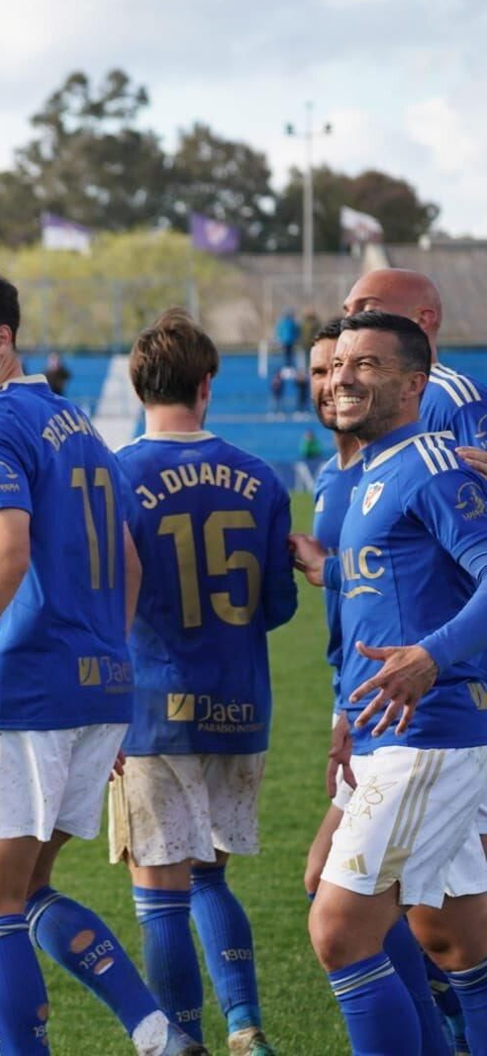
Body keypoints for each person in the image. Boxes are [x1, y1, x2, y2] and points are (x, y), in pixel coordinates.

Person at [0, 269, 202, 1056]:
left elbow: (4, 553)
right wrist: (109, 666)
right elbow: (131, 566)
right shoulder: (74, 420)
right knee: (30, 887)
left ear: (3, 340)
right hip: (99, 690)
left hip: (25, 687)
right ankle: (155, 1030)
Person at [287, 310, 487, 1055]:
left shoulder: (432, 462)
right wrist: (347, 708)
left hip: (427, 733)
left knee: (339, 928)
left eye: (367, 365)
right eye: (339, 365)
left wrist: (430, 656)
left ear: (415, 382)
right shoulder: (373, 471)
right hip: (387, 732)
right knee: (458, 940)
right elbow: (395, 588)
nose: (343, 378)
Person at [110, 310, 296, 1056]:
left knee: (160, 896)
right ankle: (245, 1025)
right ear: (207, 384)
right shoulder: (260, 475)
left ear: (135, 383)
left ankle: (181, 1040)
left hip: (155, 706)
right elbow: (278, 604)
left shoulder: (117, 473)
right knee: (212, 877)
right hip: (241, 702)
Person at [341, 268, 486, 451]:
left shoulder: (454, 398)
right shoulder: (367, 400)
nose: (348, 321)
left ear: (422, 320)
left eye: (369, 310)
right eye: (347, 311)